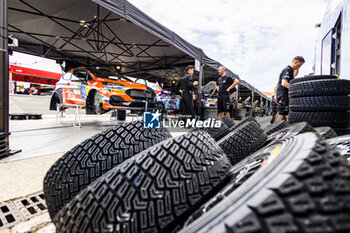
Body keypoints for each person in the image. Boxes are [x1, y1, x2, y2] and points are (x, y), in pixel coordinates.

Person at [275, 56, 305, 122]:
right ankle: (277, 129)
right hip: (283, 94)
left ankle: (282, 127)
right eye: (300, 65)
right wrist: (295, 89)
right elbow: (284, 83)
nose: (299, 67)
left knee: (284, 112)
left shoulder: (290, 70)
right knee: (282, 113)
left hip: (285, 95)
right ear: (296, 62)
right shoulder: (287, 70)